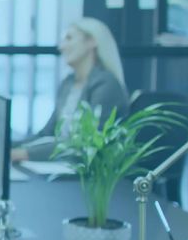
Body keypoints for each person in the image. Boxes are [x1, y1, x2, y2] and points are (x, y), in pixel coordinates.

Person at [11, 17, 128, 163]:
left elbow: (87, 142)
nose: (62, 47)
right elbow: (47, 134)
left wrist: (24, 154)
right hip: (59, 163)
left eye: (69, 38)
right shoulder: (68, 83)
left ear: (91, 41)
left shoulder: (106, 84)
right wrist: (8, 146)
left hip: (86, 169)